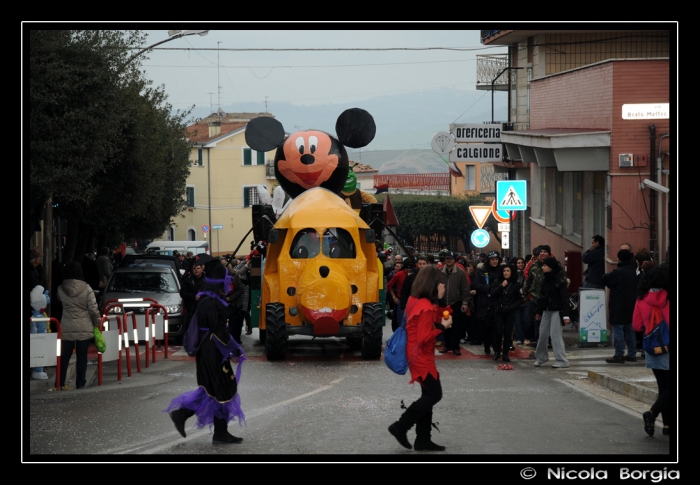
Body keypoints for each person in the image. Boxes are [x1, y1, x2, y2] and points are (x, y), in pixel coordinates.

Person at [165, 262, 247, 444]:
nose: (228, 284)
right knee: (221, 389)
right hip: (212, 352)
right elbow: (220, 333)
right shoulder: (212, 304)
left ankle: (195, 420)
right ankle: (215, 430)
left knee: (213, 389)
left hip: (208, 350)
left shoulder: (205, 299)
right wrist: (235, 351)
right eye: (226, 280)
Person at [387, 264, 452, 452]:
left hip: (416, 352)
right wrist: (442, 327)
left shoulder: (415, 300)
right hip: (420, 355)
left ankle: (423, 439)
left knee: (428, 395)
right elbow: (425, 337)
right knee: (434, 394)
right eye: (438, 282)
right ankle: (401, 426)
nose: (440, 285)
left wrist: (440, 301)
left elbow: (438, 313)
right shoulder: (424, 306)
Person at [632, 264, 671, 437]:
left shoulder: (641, 298)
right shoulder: (671, 297)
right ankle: (652, 413)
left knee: (663, 387)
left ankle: (668, 425)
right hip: (671, 346)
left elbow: (636, 325)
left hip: (652, 348)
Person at [57, 262, 102, 390]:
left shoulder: (60, 289)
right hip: (84, 326)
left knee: (64, 356)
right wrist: (98, 322)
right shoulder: (87, 289)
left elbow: (60, 301)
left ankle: (60, 383)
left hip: (66, 326)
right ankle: (80, 383)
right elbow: (93, 309)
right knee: (82, 356)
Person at [602, 249, 639, 364]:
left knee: (618, 329)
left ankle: (619, 353)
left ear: (619, 258)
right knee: (630, 329)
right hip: (631, 304)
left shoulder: (618, 272)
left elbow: (606, 279)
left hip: (618, 304)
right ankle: (632, 353)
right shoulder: (634, 271)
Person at [533, 257, 570, 368]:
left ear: (551, 267)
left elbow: (564, 299)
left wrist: (566, 315)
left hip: (557, 311)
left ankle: (562, 360)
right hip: (546, 310)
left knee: (555, 335)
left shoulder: (560, 281)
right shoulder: (545, 280)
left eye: (545, 266)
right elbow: (542, 297)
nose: (543, 268)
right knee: (542, 334)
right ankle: (541, 357)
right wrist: (539, 311)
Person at [438, 251, 471, 355]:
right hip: (443, 303)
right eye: (447, 258)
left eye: (451, 259)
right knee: (445, 326)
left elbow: (465, 289)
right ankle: (447, 346)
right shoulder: (439, 272)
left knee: (456, 326)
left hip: (456, 302)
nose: (449, 260)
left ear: (454, 260)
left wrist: (465, 303)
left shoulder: (460, 272)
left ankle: (456, 347)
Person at [470, 250, 502, 354]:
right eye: (492, 259)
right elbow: (475, 284)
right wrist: (488, 288)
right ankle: (487, 345)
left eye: (496, 259)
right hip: (484, 302)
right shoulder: (481, 271)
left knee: (497, 328)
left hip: (497, 302)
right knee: (486, 327)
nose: (494, 261)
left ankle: (497, 348)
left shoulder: (501, 270)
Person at [490, 263, 522, 362]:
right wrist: (501, 286)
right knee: (498, 332)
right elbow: (492, 294)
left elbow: (520, 299)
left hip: (509, 311)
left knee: (508, 333)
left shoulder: (516, 284)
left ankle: (505, 353)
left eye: (508, 271)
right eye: (504, 271)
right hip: (499, 310)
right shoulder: (497, 282)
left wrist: (512, 307)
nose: (506, 273)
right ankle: (496, 351)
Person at [522, 246, 550, 346]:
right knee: (532, 319)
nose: (543, 253)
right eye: (541, 252)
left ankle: (547, 340)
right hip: (534, 297)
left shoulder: (554, 264)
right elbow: (528, 280)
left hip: (549, 298)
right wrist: (525, 293)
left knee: (547, 321)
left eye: (545, 251)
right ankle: (534, 339)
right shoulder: (533, 265)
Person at [180, 259, 206, 335]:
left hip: (204, 308)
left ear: (202, 269)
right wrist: (193, 297)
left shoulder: (207, 279)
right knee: (191, 331)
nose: (196, 270)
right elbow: (182, 293)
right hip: (191, 309)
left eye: (198, 268)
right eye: (194, 269)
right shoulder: (188, 280)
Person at [387, 258, 409, 332]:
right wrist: (394, 297)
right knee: (400, 322)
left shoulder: (413, 275)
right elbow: (389, 285)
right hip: (401, 300)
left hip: (411, 300)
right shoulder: (399, 274)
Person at [512, 257, 528, 345]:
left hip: (525, 300)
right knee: (517, 320)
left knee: (525, 320)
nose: (520, 264)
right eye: (518, 263)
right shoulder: (513, 274)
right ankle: (519, 337)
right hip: (516, 300)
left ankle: (525, 336)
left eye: (522, 262)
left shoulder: (527, 274)